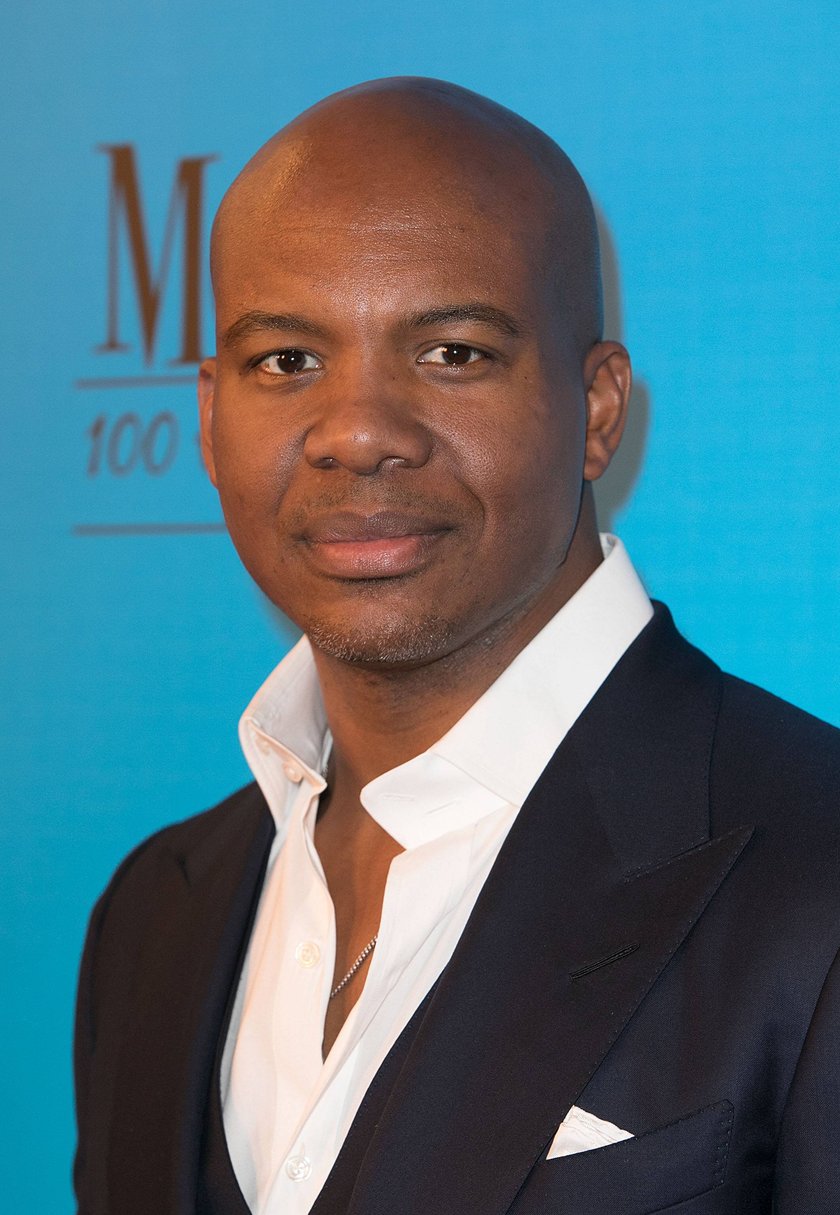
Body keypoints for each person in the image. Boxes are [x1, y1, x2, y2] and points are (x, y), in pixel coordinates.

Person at [73, 78, 840, 1215]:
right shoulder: (153, 916)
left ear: (597, 409)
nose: (357, 433)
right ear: (209, 416)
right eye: (286, 361)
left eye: (452, 352)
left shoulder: (817, 875)